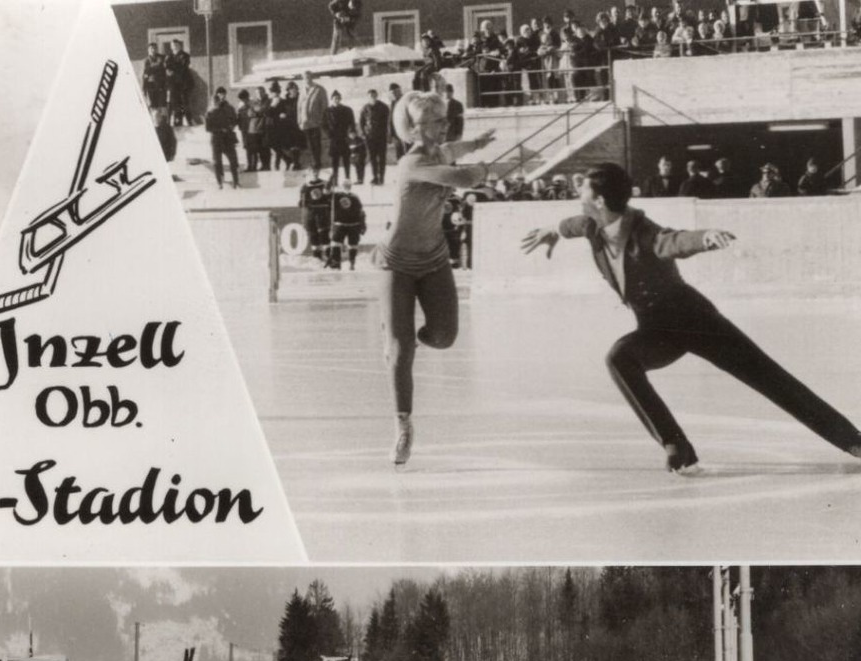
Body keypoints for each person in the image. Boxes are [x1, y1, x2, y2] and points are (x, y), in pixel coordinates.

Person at [521, 163, 861, 472]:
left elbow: (674, 241)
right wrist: (553, 230)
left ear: (598, 199)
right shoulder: (594, 226)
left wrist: (705, 238)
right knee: (620, 357)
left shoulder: (644, 233)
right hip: (657, 330)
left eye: (583, 189)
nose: (577, 192)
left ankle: (852, 440)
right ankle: (676, 445)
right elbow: (573, 224)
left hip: (697, 322)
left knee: (769, 378)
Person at [378, 90, 493, 466]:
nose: (445, 125)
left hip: (434, 258)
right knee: (402, 349)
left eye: (445, 120)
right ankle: (404, 425)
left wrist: (475, 143)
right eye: (437, 121)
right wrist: (482, 169)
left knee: (444, 337)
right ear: (414, 129)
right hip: (397, 262)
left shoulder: (438, 150)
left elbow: (454, 152)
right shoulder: (411, 164)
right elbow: (462, 175)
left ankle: (407, 341)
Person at [206, 88, 242, 190]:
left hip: (228, 138)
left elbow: (234, 119)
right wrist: (221, 129)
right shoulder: (210, 112)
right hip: (216, 140)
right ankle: (220, 182)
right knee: (217, 162)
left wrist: (231, 126)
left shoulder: (228, 108)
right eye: (219, 96)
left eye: (223, 95)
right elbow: (208, 127)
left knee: (233, 160)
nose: (222, 97)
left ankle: (236, 181)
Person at [359, 90, 390, 185]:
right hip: (370, 137)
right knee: (372, 157)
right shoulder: (365, 108)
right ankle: (375, 177)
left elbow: (388, 122)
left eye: (374, 95)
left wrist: (388, 134)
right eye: (370, 96)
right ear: (368, 97)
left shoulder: (384, 107)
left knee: (381, 157)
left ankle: (382, 177)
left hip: (381, 136)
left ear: (377, 96)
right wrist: (363, 133)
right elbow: (361, 122)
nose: (372, 97)